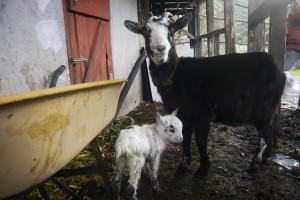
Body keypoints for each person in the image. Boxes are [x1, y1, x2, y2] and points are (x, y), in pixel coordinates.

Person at [285, 0, 300, 108]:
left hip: (294, 43)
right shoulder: (296, 5)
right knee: (280, 71)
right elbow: (297, 11)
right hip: (294, 44)